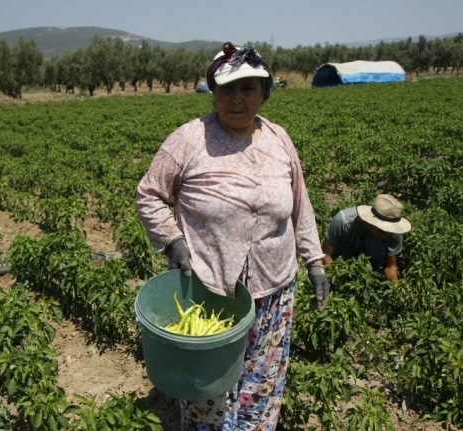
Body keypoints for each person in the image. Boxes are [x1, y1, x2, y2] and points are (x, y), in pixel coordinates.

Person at [136, 41, 329, 431]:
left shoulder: (279, 140)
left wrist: (314, 262)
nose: (237, 99)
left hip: (273, 289)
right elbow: (150, 195)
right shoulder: (189, 140)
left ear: (264, 93)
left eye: (248, 89)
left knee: (261, 382)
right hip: (213, 289)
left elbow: (299, 205)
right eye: (228, 89)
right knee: (208, 387)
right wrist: (171, 240)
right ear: (213, 91)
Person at [323, 194, 412, 283]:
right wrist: (338, 281)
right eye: (381, 230)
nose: (385, 235)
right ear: (372, 221)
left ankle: (367, 279)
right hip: (339, 263)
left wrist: (395, 290)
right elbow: (326, 255)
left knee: (375, 245)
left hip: (365, 271)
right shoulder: (343, 221)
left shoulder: (393, 232)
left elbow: (390, 266)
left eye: (388, 232)